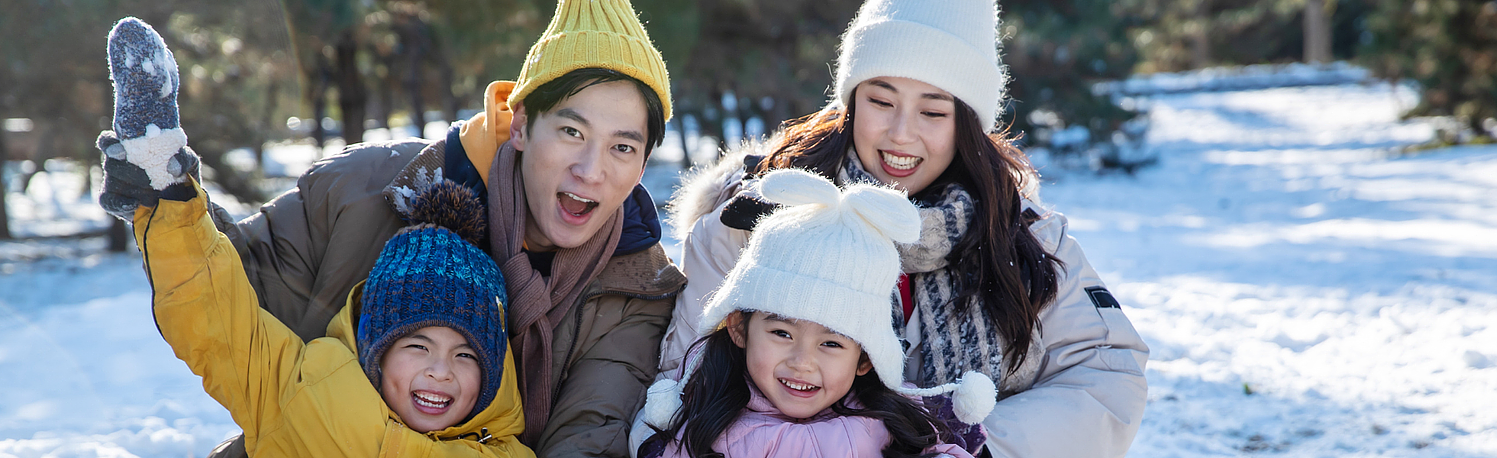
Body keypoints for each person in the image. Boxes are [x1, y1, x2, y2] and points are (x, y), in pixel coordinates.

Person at [95, 1, 684, 456]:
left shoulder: (640, 289)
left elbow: (591, 433)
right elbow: (230, 299)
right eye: (573, 132)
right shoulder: (368, 187)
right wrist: (167, 194)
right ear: (522, 122)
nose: (592, 170)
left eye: (623, 146)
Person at [656, 0, 1150, 456]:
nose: (901, 134)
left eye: (933, 111)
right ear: (849, 103)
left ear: (967, 124)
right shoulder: (761, 215)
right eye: (881, 100)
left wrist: (969, 446)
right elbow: (679, 382)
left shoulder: (1020, 237)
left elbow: (1107, 376)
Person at [105, 18, 532, 455]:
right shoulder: (301, 390)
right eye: (418, 345)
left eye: (466, 355)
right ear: (376, 346)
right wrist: (167, 190)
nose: (441, 371)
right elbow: (216, 320)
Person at [639, 169, 989, 458]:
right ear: (739, 328)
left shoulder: (893, 427)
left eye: (832, 343)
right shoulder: (702, 422)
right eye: (782, 333)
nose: (802, 362)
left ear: (865, 359)